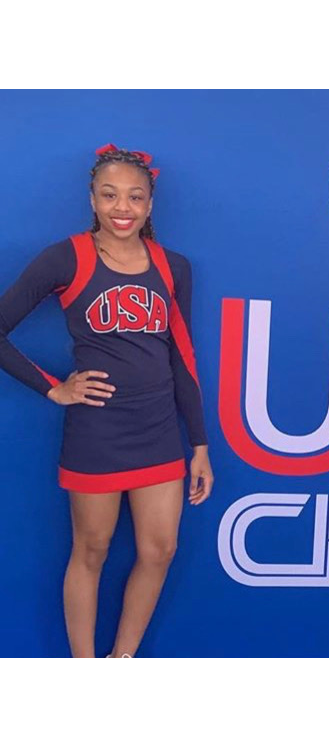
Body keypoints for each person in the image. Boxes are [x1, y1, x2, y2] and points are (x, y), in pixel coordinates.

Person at [0, 143, 215, 658]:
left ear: (150, 204)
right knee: (91, 550)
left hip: (160, 430)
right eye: (110, 194)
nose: (123, 207)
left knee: (159, 550)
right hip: (96, 432)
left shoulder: (173, 267)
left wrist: (200, 444)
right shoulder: (64, 257)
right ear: (92, 199)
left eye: (135, 197)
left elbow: (182, 357)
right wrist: (54, 387)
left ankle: (122, 655)